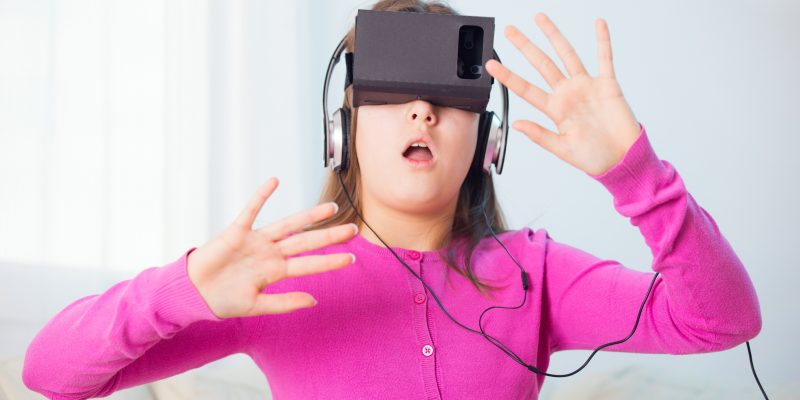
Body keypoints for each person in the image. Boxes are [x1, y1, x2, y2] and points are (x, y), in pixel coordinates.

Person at [22, 0, 762, 399]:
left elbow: (722, 320)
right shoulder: (281, 278)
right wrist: (182, 290)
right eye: (393, 98)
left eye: (445, 100)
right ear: (341, 131)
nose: (422, 114)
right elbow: (49, 373)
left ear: (487, 140)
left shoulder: (536, 274)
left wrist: (634, 173)